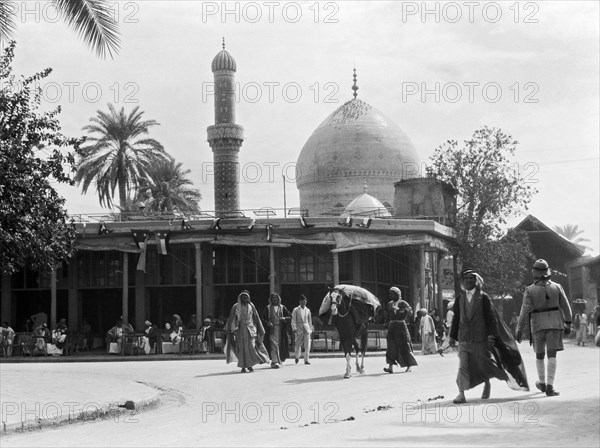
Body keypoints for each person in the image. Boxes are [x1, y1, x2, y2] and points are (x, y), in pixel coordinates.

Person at [449, 268, 516, 404]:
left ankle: (487, 382)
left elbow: (491, 318)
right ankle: (461, 394)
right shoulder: (459, 298)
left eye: (471, 278)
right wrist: (452, 337)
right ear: (463, 281)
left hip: (480, 338)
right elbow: (456, 319)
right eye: (466, 278)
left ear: (476, 280)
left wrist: (491, 335)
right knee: (462, 365)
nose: (468, 280)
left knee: (482, 364)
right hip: (464, 338)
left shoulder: (483, 297)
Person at [515, 259, 573, 397]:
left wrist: (519, 329)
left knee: (539, 354)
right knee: (552, 354)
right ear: (548, 271)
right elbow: (566, 306)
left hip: (537, 325)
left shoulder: (530, 290)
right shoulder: (557, 287)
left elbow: (524, 311)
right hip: (554, 324)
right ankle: (550, 387)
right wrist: (568, 323)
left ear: (534, 272)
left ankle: (542, 383)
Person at [224, 290, 269, 373]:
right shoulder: (236, 306)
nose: (245, 298)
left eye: (246, 296)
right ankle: (243, 366)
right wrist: (232, 329)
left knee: (251, 347)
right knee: (242, 349)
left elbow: (256, 317)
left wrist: (260, 328)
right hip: (240, 330)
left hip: (250, 330)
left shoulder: (251, 305)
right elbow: (232, 319)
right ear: (240, 297)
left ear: (248, 297)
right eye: (243, 297)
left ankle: (250, 364)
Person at [383, 287, 417, 373]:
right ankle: (390, 367)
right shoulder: (389, 304)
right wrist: (386, 323)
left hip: (401, 326)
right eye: (390, 294)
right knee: (391, 346)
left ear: (398, 294)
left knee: (405, 345)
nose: (390, 295)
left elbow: (410, 312)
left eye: (392, 294)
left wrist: (400, 310)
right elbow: (387, 315)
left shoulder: (403, 303)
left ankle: (409, 366)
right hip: (392, 326)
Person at [261, 293, 292, 368]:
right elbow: (262, 318)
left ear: (278, 299)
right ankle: (274, 361)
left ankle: (279, 360)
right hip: (271, 330)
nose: (274, 299)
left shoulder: (282, 307)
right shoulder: (268, 308)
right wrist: (267, 323)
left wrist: (285, 319)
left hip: (280, 330)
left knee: (279, 345)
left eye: (276, 298)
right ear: (270, 300)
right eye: (273, 298)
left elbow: (290, 316)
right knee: (273, 345)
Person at [291, 294, 313, 365]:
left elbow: (310, 320)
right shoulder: (296, 310)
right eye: (301, 301)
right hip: (299, 329)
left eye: (304, 301)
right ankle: (297, 357)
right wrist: (294, 328)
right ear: (299, 302)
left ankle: (306, 360)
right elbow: (293, 320)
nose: (303, 303)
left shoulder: (308, 310)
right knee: (297, 345)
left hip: (306, 329)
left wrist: (310, 328)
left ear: (306, 302)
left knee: (307, 345)